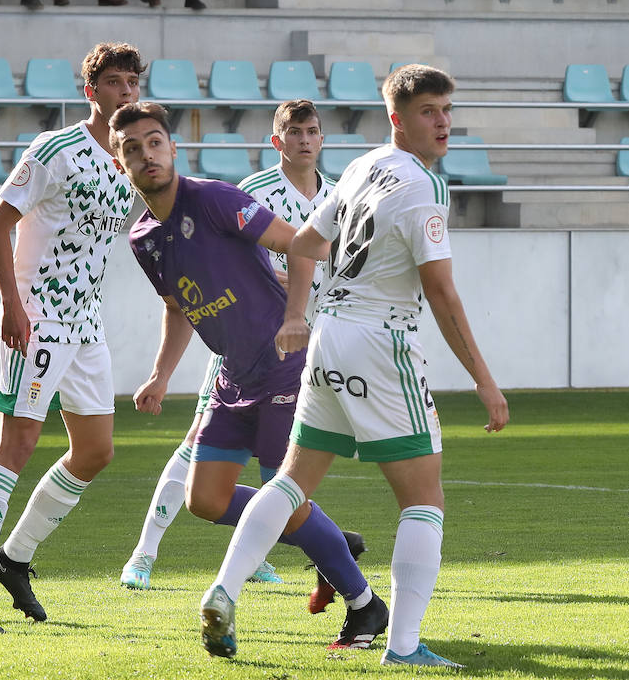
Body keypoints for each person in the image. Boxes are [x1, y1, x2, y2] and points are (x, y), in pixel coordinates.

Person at [196, 64, 510, 666]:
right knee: (423, 501)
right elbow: (441, 292)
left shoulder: (362, 167)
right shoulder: (424, 187)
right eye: (427, 111)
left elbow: (306, 244)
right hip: (380, 341)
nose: (442, 122)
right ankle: (404, 646)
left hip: (329, 337)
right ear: (397, 119)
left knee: (291, 480)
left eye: (447, 109)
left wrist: (296, 315)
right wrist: (484, 380)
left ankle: (223, 590)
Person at [113, 101, 389, 652]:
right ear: (121, 163)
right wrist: (160, 374)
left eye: (155, 142)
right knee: (205, 501)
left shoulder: (214, 199)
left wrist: (294, 316)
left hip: (284, 366)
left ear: (173, 147)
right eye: (133, 149)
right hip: (233, 378)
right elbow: (177, 308)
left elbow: (302, 243)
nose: (148, 155)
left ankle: (365, 606)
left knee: (278, 493)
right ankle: (322, 535)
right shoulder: (143, 238)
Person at [0, 43, 144, 634]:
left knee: (96, 452)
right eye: (112, 82)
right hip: (39, 317)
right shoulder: (55, 149)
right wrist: (11, 305)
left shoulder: (133, 162)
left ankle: (13, 557)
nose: (124, 92)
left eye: (132, 82)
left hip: (88, 325)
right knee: (17, 445)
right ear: (91, 91)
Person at [119, 99, 334, 592]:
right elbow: (234, 257)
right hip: (238, 351)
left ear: (322, 139)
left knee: (283, 466)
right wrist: (271, 276)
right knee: (195, 449)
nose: (304, 140)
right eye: (294, 132)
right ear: (277, 141)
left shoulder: (338, 196)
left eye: (313, 131)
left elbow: (333, 256)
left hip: (308, 347)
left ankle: (277, 549)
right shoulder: (249, 191)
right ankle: (144, 553)